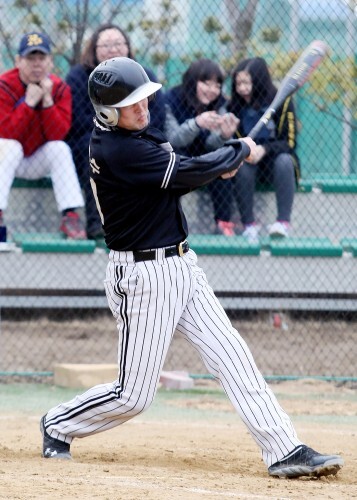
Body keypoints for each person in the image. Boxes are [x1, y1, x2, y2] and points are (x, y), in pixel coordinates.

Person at [40, 57, 343, 480]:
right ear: (109, 112)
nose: (143, 108)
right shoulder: (116, 149)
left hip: (182, 265)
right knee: (134, 396)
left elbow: (185, 172)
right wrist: (236, 151)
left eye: (145, 98)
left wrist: (221, 162)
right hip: (143, 278)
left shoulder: (138, 133)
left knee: (232, 355)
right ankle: (58, 424)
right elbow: (183, 170)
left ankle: (283, 449)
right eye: (132, 104)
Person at [66, 23, 166, 240]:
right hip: (94, 138)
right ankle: (97, 224)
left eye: (118, 43)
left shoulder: (143, 74)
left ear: (128, 47)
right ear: (94, 49)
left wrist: (131, 129)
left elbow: (157, 115)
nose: (113, 49)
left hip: (138, 137)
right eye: (106, 45)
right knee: (92, 151)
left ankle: (148, 225)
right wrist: (114, 127)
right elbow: (76, 118)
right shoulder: (79, 76)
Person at [0, 31, 86, 240]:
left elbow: (58, 134)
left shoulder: (59, 89)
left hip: (38, 159)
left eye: (42, 58)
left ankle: (70, 215)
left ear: (50, 62)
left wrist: (47, 101)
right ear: (18, 61)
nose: (37, 64)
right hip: (8, 158)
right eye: (31, 58)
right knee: (10, 146)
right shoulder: (4, 85)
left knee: (60, 149)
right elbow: (5, 132)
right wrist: (29, 103)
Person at [228, 57, 301, 241]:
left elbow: (289, 142)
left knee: (285, 160)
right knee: (241, 166)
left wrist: (265, 149)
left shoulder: (282, 101)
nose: (242, 88)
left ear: (259, 80)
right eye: (238, 83)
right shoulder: (234, 106)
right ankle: (249, 226)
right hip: (249, 163)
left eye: (247, 82)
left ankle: (282, 223)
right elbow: (232, 143)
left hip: (275, 163)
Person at [164, 58, 238, 236]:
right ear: (192, 81)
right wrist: (197, 123)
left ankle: (223, 222)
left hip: (205, 157)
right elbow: (173, 138)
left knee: (222, 156)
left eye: (217, 85)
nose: (213, 90)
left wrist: (224, 135)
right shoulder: (170, 99)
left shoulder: (220, 104)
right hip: (178, 156)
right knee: (173, 155)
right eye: (206, 83)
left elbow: (212, 144)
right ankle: (168, 223)